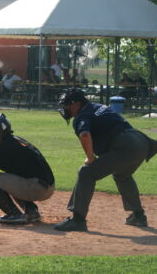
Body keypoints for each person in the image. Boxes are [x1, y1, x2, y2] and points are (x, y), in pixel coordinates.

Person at [54, 88, 157, 232]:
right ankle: (139, 216)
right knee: (122, 175)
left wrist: (90, 158)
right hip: (142, 142)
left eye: (67, 104)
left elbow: (84, 135)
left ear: (77, 104)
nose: (65, 108)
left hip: (125, 145)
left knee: (86, 172)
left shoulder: (82, 115)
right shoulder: (98, 106)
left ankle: (78, 220)